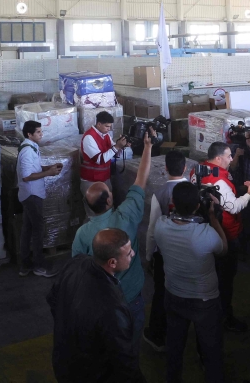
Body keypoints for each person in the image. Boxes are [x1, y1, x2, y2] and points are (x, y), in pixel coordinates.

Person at [72, 129, 154, 351]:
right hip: (131, 297)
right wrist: (147, 147)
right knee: (131, 346)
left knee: (107, 348)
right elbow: (141, 179)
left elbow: (78, 269)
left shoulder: (83, 234)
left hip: (100, 302)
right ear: (109, 201)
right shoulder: (126, 215)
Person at [47, 228, 146, 383]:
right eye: (128, 253)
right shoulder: (112, 308)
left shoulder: (75, 263)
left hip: (63, 363)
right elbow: (124, 359)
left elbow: (52, 298)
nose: (132, 254)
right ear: (112, 262)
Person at [154, 181, 227, 383]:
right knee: (211, 350)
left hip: (174, 294)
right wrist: (212, 217)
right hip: (204, 300)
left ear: (172, 202)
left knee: (174, 347)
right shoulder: (205, 233)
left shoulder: (160, 226)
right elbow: (223, 248)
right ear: (197, 206)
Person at [200, 141, 250, 332]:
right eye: (228, 155)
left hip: (207, 230)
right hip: (226, 233)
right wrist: (248, 194)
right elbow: (233, 206)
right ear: (218, 158)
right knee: (225, 280)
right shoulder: (219, 180)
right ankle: (225, 317)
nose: (231, 158)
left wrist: (237, 189)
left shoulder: (200, 169)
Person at [143, 150, 189, 352]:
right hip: (189, 251)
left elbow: (152, 229)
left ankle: (157, 335)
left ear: (165, 169)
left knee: (161, 292)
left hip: (164, 253)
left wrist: (149, 254)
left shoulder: (159, 193)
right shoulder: (192, 190)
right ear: (186, 168)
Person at [16, 121, 62, 278]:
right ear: (29, 134)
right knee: (37, 230)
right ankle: (39, 265)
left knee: (28, 229)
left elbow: (34, 169)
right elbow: (27, 176)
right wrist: (48, 173)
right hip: (31, 195)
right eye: (38, 132)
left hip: (33, 194)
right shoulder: (27, 151)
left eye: (41, 131)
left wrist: (48, 168)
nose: (41, 134)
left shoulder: (32, 147)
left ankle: (25, 265)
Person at [80, 111, 130, 217]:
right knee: (93, 215)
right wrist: (117, 147)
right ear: (99, 124)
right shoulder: (89, 137)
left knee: (107, 211)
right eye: (107, 126)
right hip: (91, 181)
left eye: (110, 126)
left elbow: (113, 152)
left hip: (104, 178)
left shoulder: (105, 135)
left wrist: (122, 146)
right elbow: (100, 159)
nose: (109, 129)